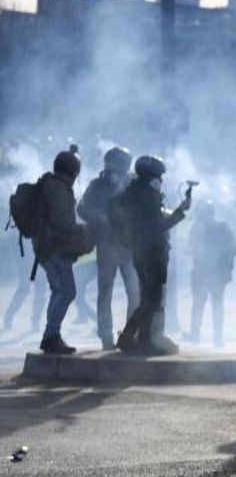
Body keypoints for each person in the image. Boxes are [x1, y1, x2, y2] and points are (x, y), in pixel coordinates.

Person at [114, 155, 191, 356]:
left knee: (149, 298)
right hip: (151, 251)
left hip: (140, 250)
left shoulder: (133, 192)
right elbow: (158, 226)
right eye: (159, 176)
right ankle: (135, 339)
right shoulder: (147, 196)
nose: (162, 180)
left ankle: (138, 339)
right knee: (152, 300)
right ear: (151, 176)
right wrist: (180, 212)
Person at [79, 146, 139, 350]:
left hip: (128, 246)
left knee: (134, 292)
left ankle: (130, 334)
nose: (112, 168)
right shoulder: (97, 185)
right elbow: (82, 208)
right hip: (107, 245)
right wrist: (98, 217)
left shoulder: (133, 183)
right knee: (105, 292)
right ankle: (106, 336)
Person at [34, 146, 93, 355]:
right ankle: (51, 336)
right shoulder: (59, 189)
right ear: (73, 171)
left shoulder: (51, 184)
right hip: (54, 249)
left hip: (47, 248)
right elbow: (62, 223)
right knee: (67, 291)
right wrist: (84, 231)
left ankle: (51, 336)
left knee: (58, 291)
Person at [187, 201, 236, 347]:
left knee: (199, 305)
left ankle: (196, 336)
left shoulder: (197, 228)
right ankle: (216, 338)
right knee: (216, 305)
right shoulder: (223, 227)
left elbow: (187, 249)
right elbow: (235, 248)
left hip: (203, 272)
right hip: (216, 274)